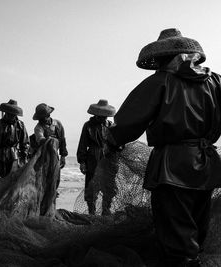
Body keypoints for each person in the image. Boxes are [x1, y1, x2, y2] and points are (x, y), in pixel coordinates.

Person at [108, 28, 221, 266]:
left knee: (175, 230)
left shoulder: (159, 81)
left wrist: (112, 141)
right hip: (207, 165)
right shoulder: (215, 81)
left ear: (166, 57)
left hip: (172, 166)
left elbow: (128, 122)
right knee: (197, 223)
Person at [77, 99, 117, 215]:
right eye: (101, 115)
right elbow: (82, 145)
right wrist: (82, 162)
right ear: (96, 114)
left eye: (105, 115)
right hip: (93, 157)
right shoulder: (88, 125)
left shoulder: (111, 126)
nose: (104, 117)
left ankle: (106, 210)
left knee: (109, 186)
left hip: (109, 157)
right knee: (92, 185)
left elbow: (117, 142)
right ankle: (91, 212)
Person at [33, 103, 68, 193]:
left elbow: (62, 141)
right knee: (44, 178)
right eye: (39, 118)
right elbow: (40, 138)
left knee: (56, 177)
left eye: (42, 117)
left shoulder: (58, 124)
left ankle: (53, 194)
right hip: (43, 156)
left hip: (55, 156)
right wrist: (47, 141)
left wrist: (63, 156)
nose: (40, 120)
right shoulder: (38, 127)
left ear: (48, 115)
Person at [0, 99, 29, 177]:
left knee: (13, 177)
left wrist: (24, 157)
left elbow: (25, 143)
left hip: (14, 156)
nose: (10, 115)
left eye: (12, 114)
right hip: (0, 156)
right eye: (8, 113)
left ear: (15, 114)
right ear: (5, 113)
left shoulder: (20, 125)